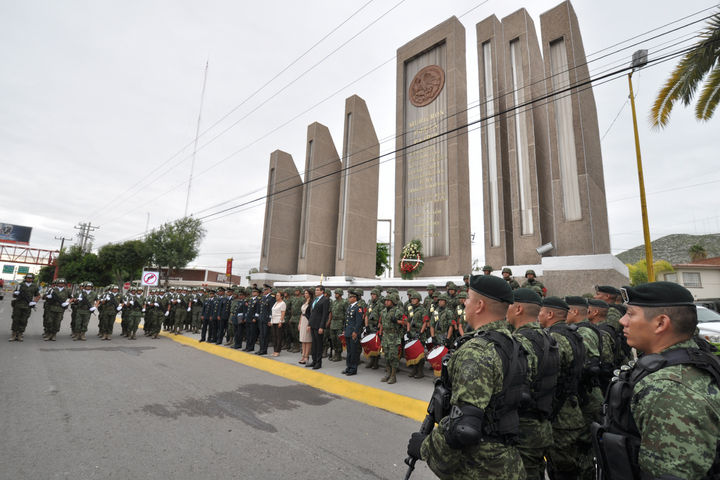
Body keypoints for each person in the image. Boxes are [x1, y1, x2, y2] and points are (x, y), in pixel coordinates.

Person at [593, 282, 720, 479]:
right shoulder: (677, 362)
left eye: (631, 314)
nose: (622, 321)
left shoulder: (670, 389)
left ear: (661, 323)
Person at [407, 274, 528, 479]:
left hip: (480, 467)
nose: (465, 303)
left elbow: (463, 429)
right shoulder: (514, 344)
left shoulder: (476, 352)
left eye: (469, 298)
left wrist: (425, 447)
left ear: (479, 305)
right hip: (508, 461)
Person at [507, 288, 558, 480]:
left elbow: (514, 389)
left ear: (518, 309)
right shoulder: (548, 338)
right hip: (542, 424)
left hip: (524, 429)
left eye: (509, 305)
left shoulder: (520, 342)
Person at [538, 296, 588, 479]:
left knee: (563, 469)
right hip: (571, 408)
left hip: (560, 415)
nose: (538, 316)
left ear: (550, 314)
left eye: (541, 312)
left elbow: (549, 375)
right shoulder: (573, 334)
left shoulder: (554, 338)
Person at [379, 293, 403, 384]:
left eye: (388, 300)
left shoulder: (398, 311)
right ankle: (388, 374)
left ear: (393, 302)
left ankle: (393, 376)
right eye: (386, 300)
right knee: (386, 356)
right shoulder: (383, 311)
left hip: (394, 336)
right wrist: (380, 333)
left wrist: (396, 321)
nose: (386, 302)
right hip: (385, 335)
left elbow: (405, 322)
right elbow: (381, 323)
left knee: (393, 357)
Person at [9, 273, 40, 342]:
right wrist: (15, 293)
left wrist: (34, 302)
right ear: (25, 278)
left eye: (31, 278)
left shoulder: (34, 286)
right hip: (18, 305)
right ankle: (14, 334)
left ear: (33, 279)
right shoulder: (20, 285)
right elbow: (14, 295)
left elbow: (38, 296)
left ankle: (20, 334)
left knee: (24, 320)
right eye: (28, 278)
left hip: (27, 306)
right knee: (15, 319)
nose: (29, 279)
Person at [307, 285, 329, 369]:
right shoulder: (314, 300)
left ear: (322, 291)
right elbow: (312, 313)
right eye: (315, 290)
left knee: (319, 344)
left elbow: (324, 315)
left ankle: (318, 363)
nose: (316, 291)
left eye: (317, 290)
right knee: (314, 344)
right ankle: (314, 361)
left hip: (319, 325)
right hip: (313, 324)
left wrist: (321, 327)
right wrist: (309, 324)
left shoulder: (325, 300)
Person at [342, 289, 363, 376]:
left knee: (354, 351)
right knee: (349, 351)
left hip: (353, 333)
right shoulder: (349, 307)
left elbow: (359, 322)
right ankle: (348, 367)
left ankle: (353, 369)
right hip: (348, 331)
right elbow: (346, 320)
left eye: (350, 297)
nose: (349, 298)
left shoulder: (358, 308)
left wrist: (355, 332)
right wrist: (344, 329)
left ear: (354, 298)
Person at [329, 288, 347, 362]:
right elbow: (331, 312)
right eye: (335, 293)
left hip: (340, 323)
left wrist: (345, 325)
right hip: (333, 322)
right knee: (333, 339)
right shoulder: (334, 302)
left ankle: (338, 354)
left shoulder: (344, 302)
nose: (335, 295)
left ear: (340, 294)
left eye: (337, 293)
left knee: (338, 340)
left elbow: (346, 313)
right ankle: (335, 352)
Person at [256, 284, 275, 355]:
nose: (263, 291)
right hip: (261, 318)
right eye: (263, 290)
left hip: (266, 319)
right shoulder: (263, 297)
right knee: (261, 335)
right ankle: (261, 349)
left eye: (265, 290)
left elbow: (271, 310)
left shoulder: (271, 298)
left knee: (265, 335)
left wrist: (270, 320)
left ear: (269, 290)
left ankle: (264, 350)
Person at [298, 288, 313, 364]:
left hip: (308, 321)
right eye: (304, 293)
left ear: (310, 294)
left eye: (306, 293)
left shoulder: (311, 302)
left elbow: (311, 314)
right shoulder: (304, 301)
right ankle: (303, 355)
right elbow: (302, 313)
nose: (305, 294)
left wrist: (309, 324)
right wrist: (300, 323)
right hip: (303, 320)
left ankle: (306, 356)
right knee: (303, 340)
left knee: (308, 340)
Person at [270, 290, 285, 356]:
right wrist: (271, 321)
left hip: (279, 321)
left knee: (279, 337)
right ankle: (274, 350)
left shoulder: (283, 303)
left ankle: (277, 351)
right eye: (276, 295)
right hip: (274, 321)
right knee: (274, 336)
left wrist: (280, 322)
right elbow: (273, 313)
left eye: (278, 295)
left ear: (281, 296)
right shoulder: (276, 303)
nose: (276, 296)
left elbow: (283, 313)